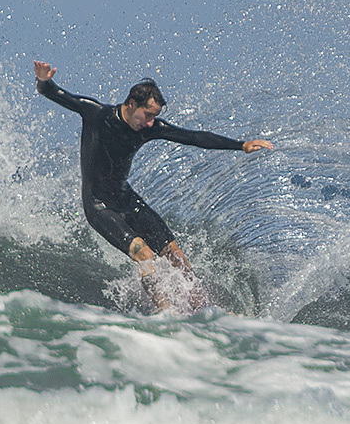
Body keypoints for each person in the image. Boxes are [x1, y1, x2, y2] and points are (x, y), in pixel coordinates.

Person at [34, 61, 272, 312]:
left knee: (177, 257)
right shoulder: (96, 114)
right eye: (147, 115)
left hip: (126, 199)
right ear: (131, 104)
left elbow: (193, 137)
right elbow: (54, 94)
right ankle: (165, 314)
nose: (150, 123)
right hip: (99, 205)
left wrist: (240, 145)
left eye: (154, 117)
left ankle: (205, 312)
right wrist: (43, 80)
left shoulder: (148, 129)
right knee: (144, 255)